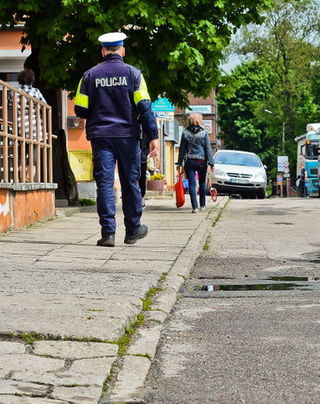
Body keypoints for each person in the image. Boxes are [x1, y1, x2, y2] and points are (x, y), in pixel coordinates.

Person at [73, 32, 159, 247]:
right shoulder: (134, 74)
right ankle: (132, 230)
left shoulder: (89, 76)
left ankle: (108, 234)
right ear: (122, 51)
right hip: (128, 136)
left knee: (104, 183)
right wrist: (153, 136)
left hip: (101, 137)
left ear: (103, 51)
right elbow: (145, 108)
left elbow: (80, 109)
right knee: (130, 182)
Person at [10, 68, 47, 180]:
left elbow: (9, 106)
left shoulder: (14, 92)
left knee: (21, 153)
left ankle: (21, 175)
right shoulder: (36, 92)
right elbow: (45, 106)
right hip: (34, 126)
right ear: (31, 80)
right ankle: (28, 176)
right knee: (34, 153)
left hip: (19, 126)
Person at [176, 113, 214, 213]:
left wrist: (179, 164)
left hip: (189, 161)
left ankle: (195, 207)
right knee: (202, 183)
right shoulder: (204, 133)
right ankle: (202, 205)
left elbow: (182, 150)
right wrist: (212, 163)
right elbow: (208, 149)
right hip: (201, 161)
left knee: (192, 184)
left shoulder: (185, 133)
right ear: (199, 121)